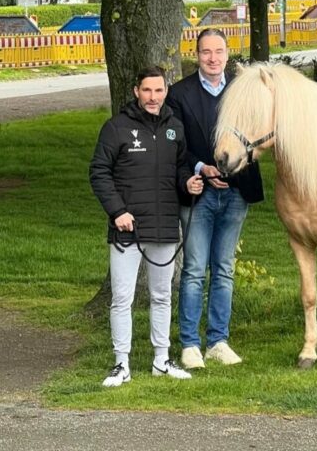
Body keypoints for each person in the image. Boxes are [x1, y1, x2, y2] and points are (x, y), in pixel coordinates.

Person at [89, 66, 202, 387]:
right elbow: (99, 172)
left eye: (159, 90)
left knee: (162, 296)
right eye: (147, 91)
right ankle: (120, 364)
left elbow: (179, 170)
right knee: (122, 298)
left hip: (165, 226)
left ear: (166, 91)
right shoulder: (116, 128)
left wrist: (188, 184)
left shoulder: (174, 129)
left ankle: (161, 360)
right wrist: (117, 212)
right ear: (136, 92)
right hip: (127, 230)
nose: (153, 97)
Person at [166, 28, 264, 368]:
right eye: (206, 52)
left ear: (227, 53)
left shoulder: (242, 93)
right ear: (197, 54)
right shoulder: (179, 95)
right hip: (198, 194)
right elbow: (175, 144)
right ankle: (190, 345)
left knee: (223, 269)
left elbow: (257, 138)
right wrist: (201, 168)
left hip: (236, 193)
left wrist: (233, 169)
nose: (213, 58)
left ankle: (218, 341)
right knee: (194, 269)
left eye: (219, 51)